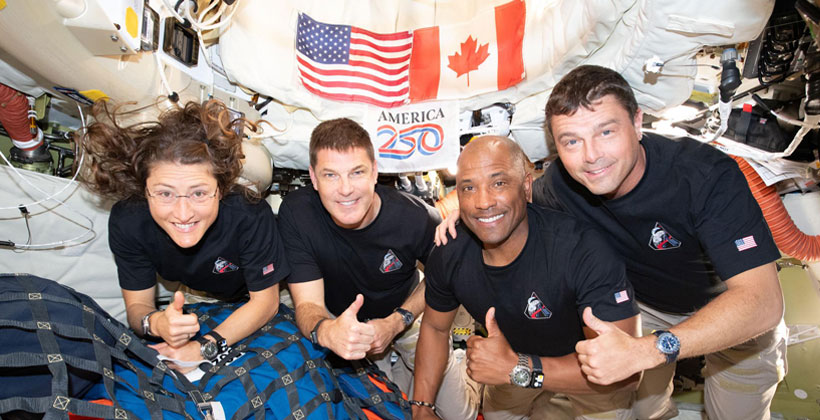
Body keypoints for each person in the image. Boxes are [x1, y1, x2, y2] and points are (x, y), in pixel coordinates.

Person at [438, 65, 787, 420]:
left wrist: (649, 350)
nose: (591, 155)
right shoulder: (561, 184)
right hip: (647, 307)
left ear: (637, 123)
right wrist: (464, 214)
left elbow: (762, 301)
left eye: (605, 131)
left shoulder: (703, 175)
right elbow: (510, 199)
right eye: (571, 141)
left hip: (732, 307)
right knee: (645, 410)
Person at [415, 135, 641, 420]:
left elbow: (626, 375)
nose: (483, 202)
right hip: (511, 359)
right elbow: (435, 328)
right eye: (469, 188)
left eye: (499, 183)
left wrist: (518, 369)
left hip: (587, 369)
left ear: (525, 186)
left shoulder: (581, 250)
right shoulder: (450, 253)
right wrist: (422, 406)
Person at [277, 118, 477, 420]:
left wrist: (397, 321)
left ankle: (458, 363)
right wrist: (328, 331)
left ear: (374, 172)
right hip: (342, 320)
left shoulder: (415, 217)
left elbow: (442, 277)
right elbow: (308, 305)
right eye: (330, 175)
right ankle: (401, 372)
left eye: (356, 172)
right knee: (386, 409)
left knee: (458, 415)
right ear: (314, 178)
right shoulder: (297, 213)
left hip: (407, 312)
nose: (345, 189)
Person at [82, 99, 290, 370]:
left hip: (269, 292)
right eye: (165, 193)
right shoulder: (129, 221)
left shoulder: (249, 213)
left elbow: (265, 302)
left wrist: (204, 348)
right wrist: (155, 322)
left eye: (199, 193)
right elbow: (138, 307)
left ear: (221, 189)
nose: (183, 214)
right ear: (144, 191)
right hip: (200, 294)